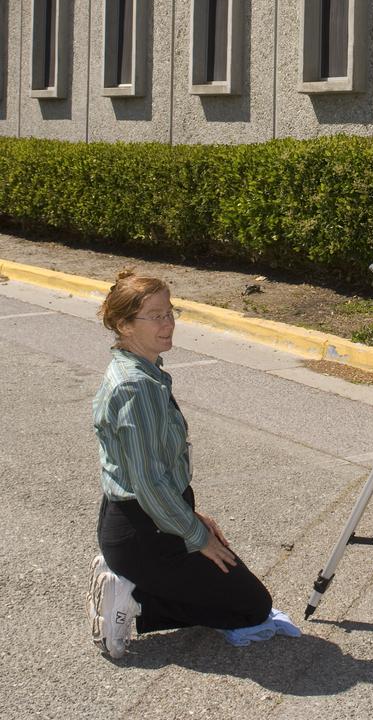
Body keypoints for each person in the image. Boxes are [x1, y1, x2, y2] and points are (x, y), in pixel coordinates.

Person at [88, 270, 299, 658]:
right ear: (123, 324)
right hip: (144, 532)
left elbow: (152, 472)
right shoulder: (137, 386)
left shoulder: (141, 371)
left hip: (148, 520)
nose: (167, 323)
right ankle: (131, 599)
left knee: (233, 580)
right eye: (154, 315)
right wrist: (194, 535)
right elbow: (149, 484)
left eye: (170, 312)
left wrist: (193, 516)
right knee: (253, 606)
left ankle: (139, 585)